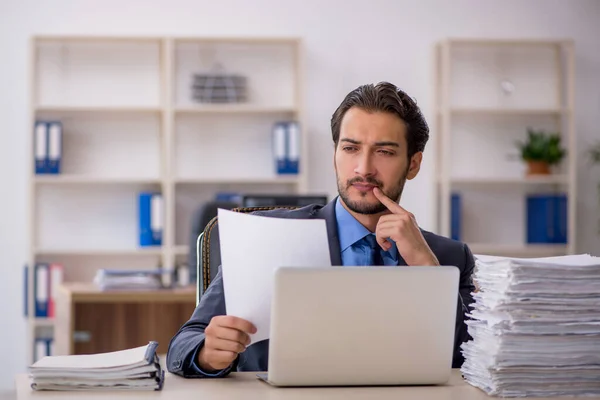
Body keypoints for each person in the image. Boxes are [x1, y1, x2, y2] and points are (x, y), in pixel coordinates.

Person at [166, 81, 476, 377]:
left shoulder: (449, 257)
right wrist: (206, 354)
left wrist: (427, 267)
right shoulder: (266, 235)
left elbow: (473, 359)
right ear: (335, 154)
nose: (363, 168)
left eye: (384, 152)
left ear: (413, 164)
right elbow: (182, 345)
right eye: (351, 148)